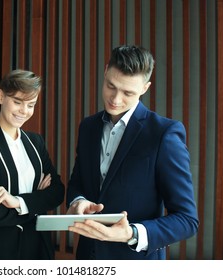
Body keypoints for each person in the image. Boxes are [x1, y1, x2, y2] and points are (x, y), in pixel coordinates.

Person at [66, 45, 199, 260]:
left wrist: (132, 233)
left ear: (145, 88)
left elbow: (187, 220)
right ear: (106, 70)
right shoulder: (88, 127)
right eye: (111, 86)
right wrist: (78, 201)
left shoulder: (163, 134)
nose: (115, 99)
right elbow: (77, 183)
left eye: (128, 93)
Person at [0, 69, 65, 260]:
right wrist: (37, 202)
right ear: (0, 96)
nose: (24, 111)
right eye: (17, 102)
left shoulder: (35, 142)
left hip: (37, 249)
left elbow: (57, 192)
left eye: (31, 105)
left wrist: (17, 202)